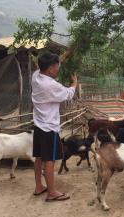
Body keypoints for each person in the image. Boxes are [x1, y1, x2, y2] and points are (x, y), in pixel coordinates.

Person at [32, 51, 77, 202]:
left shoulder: (36, 76)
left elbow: (47, 68)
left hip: (38, 125)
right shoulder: (50, 85)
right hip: (49, 128)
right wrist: (74, 83)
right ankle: (52, 192)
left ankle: (39, 186)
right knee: (49, 159)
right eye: (57, 66)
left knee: (39, 157)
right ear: (50, 68)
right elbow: (68, 94)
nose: (58, 68)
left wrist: (62, 58)